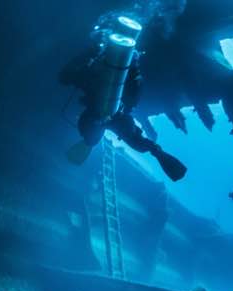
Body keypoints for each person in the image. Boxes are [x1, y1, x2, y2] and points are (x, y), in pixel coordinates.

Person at [59, 20, 187, 181]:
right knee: (116, 135)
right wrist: (155, 149)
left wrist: (88, 56)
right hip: (115, 111)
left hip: (104, 109)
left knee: (94, 136)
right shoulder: (129, 75)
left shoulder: (99, 70)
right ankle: (157, 152)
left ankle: (154, 150)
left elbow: (65, 77)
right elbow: (133, 113)